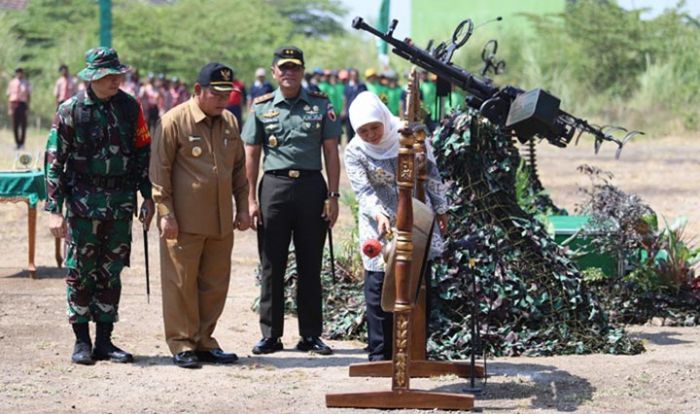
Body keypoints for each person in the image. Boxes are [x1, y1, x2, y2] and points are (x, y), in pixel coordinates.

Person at [44, 47, 154, 365]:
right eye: (109, 76)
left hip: (120, 205)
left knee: (111, 273)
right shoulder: (71, 110)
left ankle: (105, 341)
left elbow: (142, 155)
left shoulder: (131, 108)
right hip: (82, 205)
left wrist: (147, 197)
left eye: (118, 75)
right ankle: (82, 342)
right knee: (81, 273)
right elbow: (54, 162)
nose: (116, 80)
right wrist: (54, 209)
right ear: (92, 77)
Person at [149, 62, 250, 369]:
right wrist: (165, 213)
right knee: (181, 283)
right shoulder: (174, 121)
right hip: (184, 221)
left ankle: (205, 340)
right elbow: (159, 172)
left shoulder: (230, 122)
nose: (223, 100)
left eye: (227, 94)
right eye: (216, 94)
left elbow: (238, 170)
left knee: (214, 283)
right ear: (198, 91)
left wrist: (243, 207)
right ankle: (182, 342)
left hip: (220, 221)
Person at [242, 46, 341, 356]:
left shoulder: (320, 105)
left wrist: (334, 196)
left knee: (310, 264)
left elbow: (331, 152)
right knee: (272, 263)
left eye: (295, 68)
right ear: (274, 72)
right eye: (283, 68)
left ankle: (310, 335)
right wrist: (250, 199)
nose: (289, 73)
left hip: (312, 187)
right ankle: (270, 335)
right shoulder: (261, 107)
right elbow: (251, 154)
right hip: (274, 188)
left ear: (302, 71)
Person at [345, 91, 448, 361]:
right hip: (378, 223)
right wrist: (379, 215)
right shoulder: (355, 150)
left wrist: (441, 208)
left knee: (416, 281)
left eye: (374, 127)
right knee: (379, 283)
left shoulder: (408, 136)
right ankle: (380, 352)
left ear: (383, 120)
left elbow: (432, 173)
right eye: (363, 130)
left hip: (416, 218)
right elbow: (363, 190)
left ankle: (414, 350)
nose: (370, 134)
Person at [6, 67, 31, 149]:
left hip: (22, 104)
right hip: (14, 104)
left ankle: (22, 143)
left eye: (20, 72)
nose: (19, 74)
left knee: (23, 125)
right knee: (15, 125)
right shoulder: (12, 83)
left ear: (22, 73)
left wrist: (27, 107)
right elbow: (9, 96)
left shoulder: (26, 83)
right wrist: (9, 108)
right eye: (17, 72)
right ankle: (17, 143)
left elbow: (28, 96)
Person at [342, 68, 367, 142]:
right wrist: (344, 110)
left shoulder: (362, 86)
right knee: (349, 132)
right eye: (352, 75)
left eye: (355, 75)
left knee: (360, 132)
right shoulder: (347, 86)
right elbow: (345, 99)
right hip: (349, 113)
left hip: (360, 113)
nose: (354, 77)